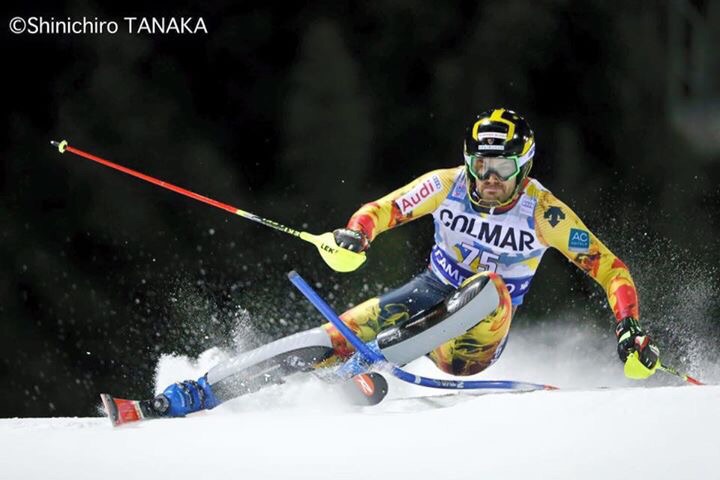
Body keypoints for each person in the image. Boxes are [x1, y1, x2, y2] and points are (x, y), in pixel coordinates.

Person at [126, 108, 661, 418]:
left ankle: (370, 363)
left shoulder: (543, 212)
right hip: (426, 295)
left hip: (476, 336)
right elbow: (385, 209)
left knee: (489, 286)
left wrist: (629, 329)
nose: (489, 179)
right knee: (329, 336)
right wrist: (355, 235)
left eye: (502, 167)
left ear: (524, 166)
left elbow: (609, 268)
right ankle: (191, 396)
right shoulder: (447, 184)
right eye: (480, 164)